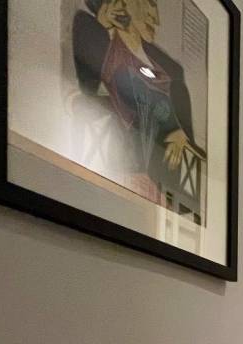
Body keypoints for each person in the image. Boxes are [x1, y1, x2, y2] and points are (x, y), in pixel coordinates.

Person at [72, 0, 199, 204]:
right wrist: (102, 20)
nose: (156, 19)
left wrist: (180, 133)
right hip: (124, 168)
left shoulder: (171, 68)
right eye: (149, 4)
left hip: (162, 180)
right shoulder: (101, 41)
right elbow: (90, 90)